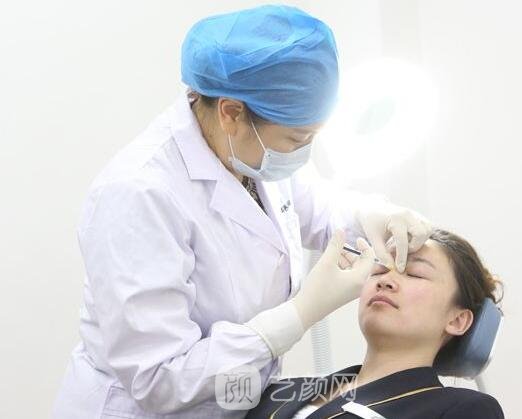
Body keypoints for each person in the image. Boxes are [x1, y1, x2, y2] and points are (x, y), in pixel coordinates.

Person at [52, 5, 432, 419]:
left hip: (237, 402)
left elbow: (315, 206)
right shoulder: (139, 194)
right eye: (297, 139)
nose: (303, 153)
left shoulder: (253, 151)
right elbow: (159, 380)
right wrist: (300, 314)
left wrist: (373, 215)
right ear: (231, 112)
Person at [246, 229, 505, 419]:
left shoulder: (462, 409)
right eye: (380, 269)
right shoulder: (280, 390)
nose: (385, 280)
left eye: (414, 274)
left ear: (457, 320)